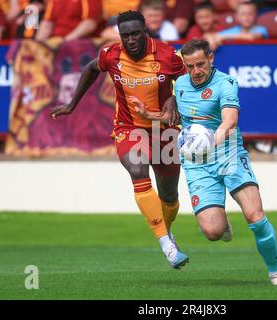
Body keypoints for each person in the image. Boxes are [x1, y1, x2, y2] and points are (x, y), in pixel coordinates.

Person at [130, 39, 277, 286]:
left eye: (201, 64)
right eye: (190, 66)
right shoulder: (181, 84)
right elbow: (171, 116)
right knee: (213, 232)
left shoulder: (226, 83)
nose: (196, 71)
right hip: (197, 164)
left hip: (228, 154)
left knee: (254, 215)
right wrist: (148, 115)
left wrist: (208, 142)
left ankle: (276, 273)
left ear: (211, 59)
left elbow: (229, 122)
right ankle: (223, 223)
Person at [49, 10, 189, 269]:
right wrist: (72, 103)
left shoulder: (168, 55)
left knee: (169, 195)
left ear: (145, 29)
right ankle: (166, 245)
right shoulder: (110, 54)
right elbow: (91, 69)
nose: (131, 39)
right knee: (137, 169)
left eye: (136, 33)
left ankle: (167, 230)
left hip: (164, 129)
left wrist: (172, 99)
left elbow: (185, 82)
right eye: (125, 35)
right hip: (129, 127)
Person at [101, 0, 179, 44]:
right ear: (142, 16)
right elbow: (106, 34)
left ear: (163, 15)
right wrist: (138, 38)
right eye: (150, 16)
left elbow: (170, 45)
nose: (154, 19)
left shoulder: (168, 27)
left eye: (157, 15)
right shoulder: (134, 24)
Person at [35, 0, 102, 41]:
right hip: (56, 41)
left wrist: (65, 41)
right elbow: (47, 23)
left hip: (79, 41)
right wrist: (38, 43)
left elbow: (90, 23)